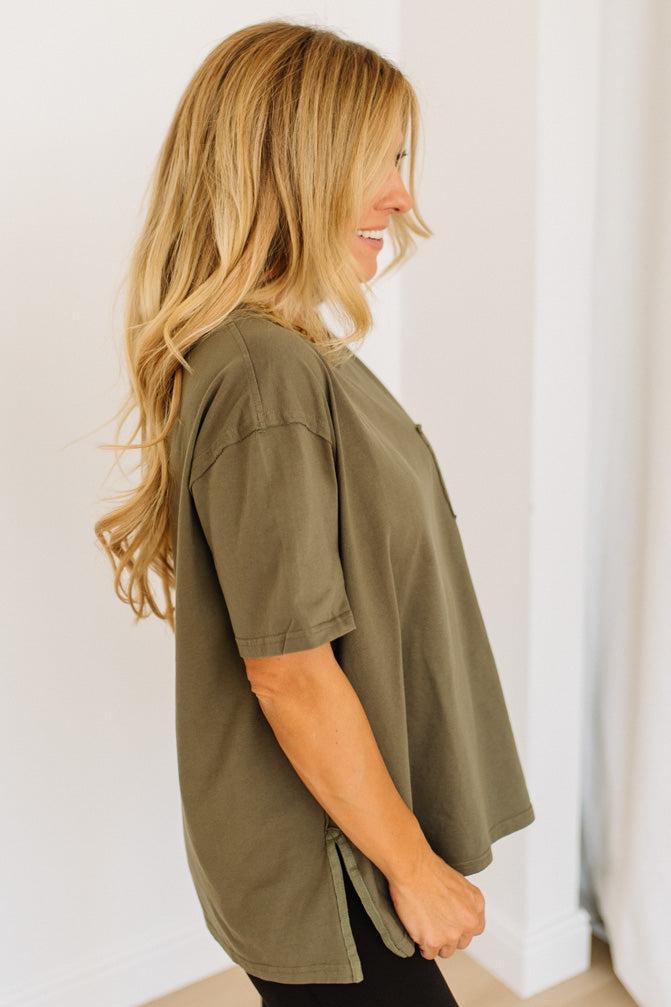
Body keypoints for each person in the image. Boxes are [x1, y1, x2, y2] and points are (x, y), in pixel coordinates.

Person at [94, 19, 535, 1006]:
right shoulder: (266, 374)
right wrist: (411, 864)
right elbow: (289, 668)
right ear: (286, 165)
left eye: (400, 158)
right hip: (328, 864)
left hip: (330, 844)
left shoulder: (278, 351)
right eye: (374, 158)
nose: (400, 194)